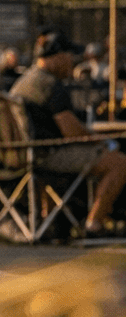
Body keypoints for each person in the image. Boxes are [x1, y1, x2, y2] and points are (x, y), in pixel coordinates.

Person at [9, 29, 126, 237]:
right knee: (118, 162)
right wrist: (101, 140)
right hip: (45, 156)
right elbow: (73, 133)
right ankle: (94, 223)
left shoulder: (22, 83)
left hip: (20, 155)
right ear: (58, 56)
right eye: (70, 56)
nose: (73, 61)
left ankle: (53, 220)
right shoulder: (50, 85)